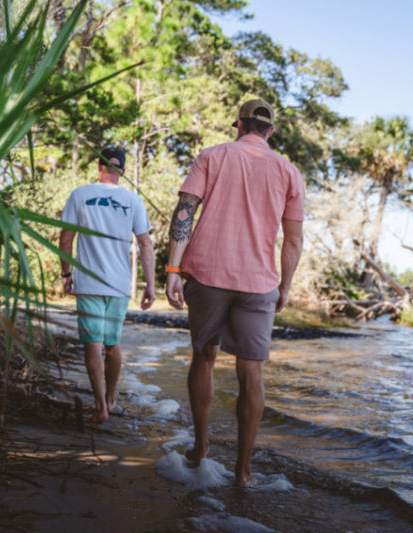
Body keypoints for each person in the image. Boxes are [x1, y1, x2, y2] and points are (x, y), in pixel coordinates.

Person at [165, 98, 305, 487]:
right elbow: (292, 242)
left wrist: (173, 270)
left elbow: (184, 212)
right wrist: (286, 285)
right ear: (270, 131)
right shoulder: (290, 172)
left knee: (204, 356)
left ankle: (201, 447)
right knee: (251, 372)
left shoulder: (211, 156)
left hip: (207, 274)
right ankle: (243, 472)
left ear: (239, 124)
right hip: (259, 282)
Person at [59, 147, 155, 423]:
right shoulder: (133, 200)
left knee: (93, 343)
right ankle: (111, 399)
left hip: (88, 282)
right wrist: (150, 285)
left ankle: (100, 406)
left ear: (98, 167)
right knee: (113, 344)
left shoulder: (80, 194)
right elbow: (145, 244)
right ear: (122, 171)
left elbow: (66, 240)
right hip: (119, 283)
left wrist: (67, 274)